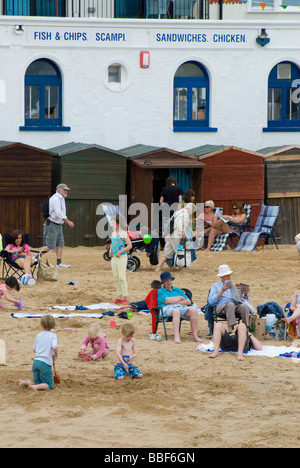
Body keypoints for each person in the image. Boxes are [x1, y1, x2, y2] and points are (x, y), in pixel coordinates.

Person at [14, 315, 58, 392]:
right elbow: (54, 347)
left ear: (41, 325)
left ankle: (23, 382)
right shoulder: (53, 336)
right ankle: (36, 387)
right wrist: (56, 355)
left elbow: (34, 349)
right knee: (49, 385)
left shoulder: (39, 335)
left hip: (36, 362)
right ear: (53, 325)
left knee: (37, 381)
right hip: (45, 363)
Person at [157, 271, 203, 344]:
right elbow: (167, 300)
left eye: (169, 280)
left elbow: (188, 301)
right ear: (163, 283)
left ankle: (195, 336)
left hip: (179, 306)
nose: (169, 282)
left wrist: (177, 302)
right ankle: (177, 336)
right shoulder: (161, 291)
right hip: (166, 308)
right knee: (176, 311)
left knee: (193, 310)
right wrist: (180, 297)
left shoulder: (177, 289)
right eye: (166, 281)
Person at [40, 183, 75, 268]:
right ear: (59, 190)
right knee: (50, 245)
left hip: (58, 225)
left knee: (60, 244)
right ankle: (36, 259)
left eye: (66, 190)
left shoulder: (62, 198)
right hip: (52, 224)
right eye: (64, 189)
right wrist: (68, 221)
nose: (66, 191)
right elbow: (58, 213)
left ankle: (59, 263)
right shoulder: (55, 198)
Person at [208, 265, 251, 331]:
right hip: (220, 306)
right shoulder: (215, 285)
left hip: (234, 305)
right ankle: (230, 329)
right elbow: (211, 301)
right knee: (230, 304)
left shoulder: (235, 285)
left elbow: (244, 301)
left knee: (244, 306)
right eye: (226, 275)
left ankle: (246, 329)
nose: (228, 277)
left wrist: (246, 294)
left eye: (229, 274)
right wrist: (222, 290)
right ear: (221, 277)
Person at [155, 202, 196, 273]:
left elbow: (170, 221)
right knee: (180, 252)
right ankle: (182, 270)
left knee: (167, 253)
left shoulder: (178, 212)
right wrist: (182, 234)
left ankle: (158, 268)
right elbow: (181, 225)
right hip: (176, 235)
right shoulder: (185, 215)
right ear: (191, 210)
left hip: (170, 234)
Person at [109, 215, 132, 306]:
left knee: (122, 277)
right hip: (114, 257)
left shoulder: (124, 234)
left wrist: (120, 252)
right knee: (116, 276)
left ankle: (125, 296)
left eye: (113, 223)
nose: (112, 225)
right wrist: (110, 251)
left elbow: (129, 246)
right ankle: (119, 295)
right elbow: (112, 244)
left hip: (121, 257)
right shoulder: (113, 233)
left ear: (118, 224)